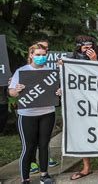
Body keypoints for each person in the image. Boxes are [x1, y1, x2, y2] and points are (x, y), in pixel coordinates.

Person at [9, 43, 58, 184]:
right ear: (31, 55)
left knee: (44, 145)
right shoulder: (21, 71)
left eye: (43, 55)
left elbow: (56, 91)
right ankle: (25, 179)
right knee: (28, 147)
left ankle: (44, 175)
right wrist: (16, 90)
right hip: (27, 115)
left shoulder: (50, 71)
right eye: (37, 55)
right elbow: (11, 92)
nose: (41, 57)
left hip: (48, 113)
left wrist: (59, 92)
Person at [69, 36, 98, 180]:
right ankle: (86, 167)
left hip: (97, 100)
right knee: (83, 133)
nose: (88, 50)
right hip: (79, 101)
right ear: (79, 47)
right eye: (85, 47)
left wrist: (94, 60)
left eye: (90, 47)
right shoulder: (72, 59)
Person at [28, 40, 59, 174]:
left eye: (46, 50)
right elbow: (14, 90)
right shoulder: (25, 69)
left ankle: (44, 168)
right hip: (30, 112)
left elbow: (56, 85)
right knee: (31, 141)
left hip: (47, 110)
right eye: (41, 51)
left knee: (44, 141)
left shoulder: (50, 69)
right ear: (32, 53)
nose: (44, 54)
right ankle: (32, 162)